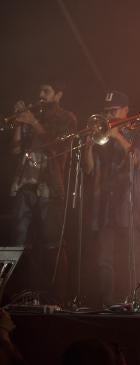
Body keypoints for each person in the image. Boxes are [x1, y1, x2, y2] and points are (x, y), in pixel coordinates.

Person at [7, 82, 76, 294]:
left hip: (50, 186)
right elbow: (15, 149)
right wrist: (19, 123)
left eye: (46, 91)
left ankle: (56, 296)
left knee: (51, 243)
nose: (40, 95)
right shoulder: (33, 114)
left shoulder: (66, 118)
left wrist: (33, 122)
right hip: (26, 183)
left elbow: (57, 146)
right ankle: (18, 293)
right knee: (19, 242)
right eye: (40, 90)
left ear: (59, 94)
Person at [84, 91, 140, 306]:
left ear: (125, 110)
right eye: (106, 111)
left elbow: (139, 161)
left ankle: (136, 301)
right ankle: (106, 303)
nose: (109, 115)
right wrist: (88, 147)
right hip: (105, 206)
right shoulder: (102, 139)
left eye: (114, 110)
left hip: (130, 204)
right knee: (104, 261)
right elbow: (89, 170)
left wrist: (118, 136)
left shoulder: (139, 134)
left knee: (132, 259)